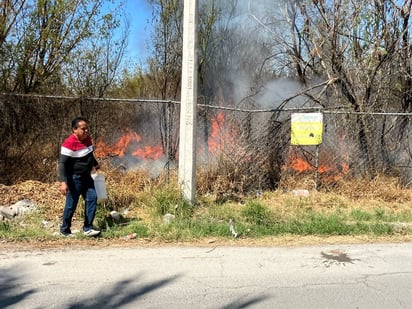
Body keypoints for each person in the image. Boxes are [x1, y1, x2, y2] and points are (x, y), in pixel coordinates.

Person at [58, 116, 101, 237]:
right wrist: (63, 182)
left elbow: (89, 154)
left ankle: (88, 228)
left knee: (92, 198)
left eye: (87, 128)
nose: (86, 131)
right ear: (74, 130)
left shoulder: (87, 139)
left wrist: (96, 164)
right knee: (71, 205)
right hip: (74, 179)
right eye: (83, 129)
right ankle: (65, 230)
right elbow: (62, 164)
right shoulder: (69, 143)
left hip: (87, 177)